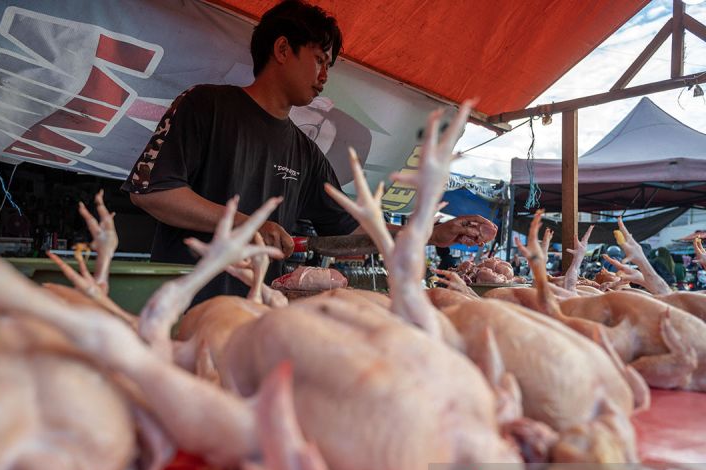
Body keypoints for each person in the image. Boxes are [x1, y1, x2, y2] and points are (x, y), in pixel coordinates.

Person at [123, 0, 496, 305]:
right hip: (181, 306)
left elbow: (352, 232)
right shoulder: (206, 104)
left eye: (328, 66)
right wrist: (249, 225)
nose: (324, 76)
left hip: (258, 313)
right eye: (319, 59)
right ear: (283, 49)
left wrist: (430, 234)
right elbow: (154, 193)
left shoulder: (305, 152)